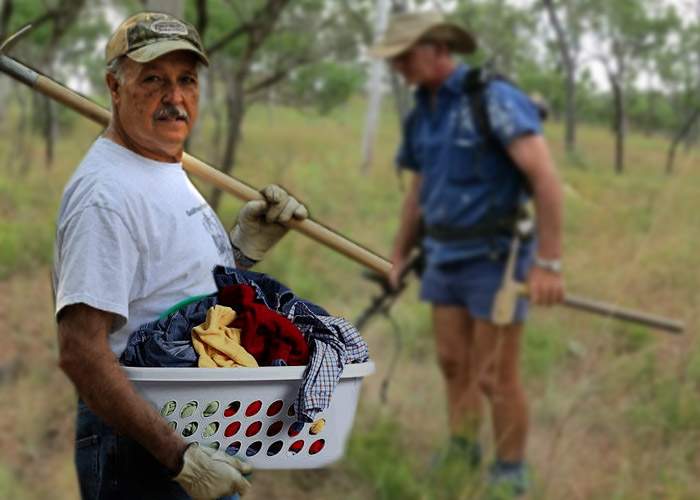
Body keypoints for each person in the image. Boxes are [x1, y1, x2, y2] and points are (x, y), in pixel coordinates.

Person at [52, 12, 307, 500]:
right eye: (154, 80)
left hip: (194, 430)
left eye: (186, 80)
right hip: (143, 447)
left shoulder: (159, 164)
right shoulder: (106, 195)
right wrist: (180, 457)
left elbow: (169, 292)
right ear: (114, 86)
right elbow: (81, 349)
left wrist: (241, 248)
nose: (175, 98)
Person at [370, 11, 565, 496]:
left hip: (497, 259)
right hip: (442, 256)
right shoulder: (422, 113)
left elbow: (545, 178)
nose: (397, 67)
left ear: (438, 48)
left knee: (496, 375)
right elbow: (418, 191)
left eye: (404, 55)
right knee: (452, 360)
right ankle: (462, 448)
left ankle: (510, 471)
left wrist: (548, 264)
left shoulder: (493, 99)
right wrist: (398, 252)